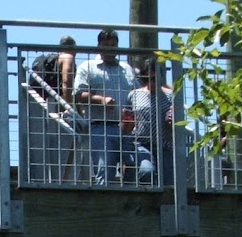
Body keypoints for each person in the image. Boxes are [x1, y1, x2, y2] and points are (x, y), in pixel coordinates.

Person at [72, 28, 139, 185]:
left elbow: (137, 94)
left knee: (136, 166)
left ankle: (127, 199)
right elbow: (78, 95)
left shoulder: (127, 69)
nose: (110, 49)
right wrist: (100, 100)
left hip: (127, 128)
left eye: (113, 45)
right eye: (106, 45)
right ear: (99, 46)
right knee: (105, 170)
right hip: (100, 126)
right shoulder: (87, 66)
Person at [127, 56, 174, 186]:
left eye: (154, 79)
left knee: (168, 182)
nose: (151, 83)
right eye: (147, 79)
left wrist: (172, 119)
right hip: (141, 144)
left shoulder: (170, 95)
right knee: (146, 171)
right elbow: (126, 122)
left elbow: (177, 119)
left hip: (165, 145)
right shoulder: (134, 95)